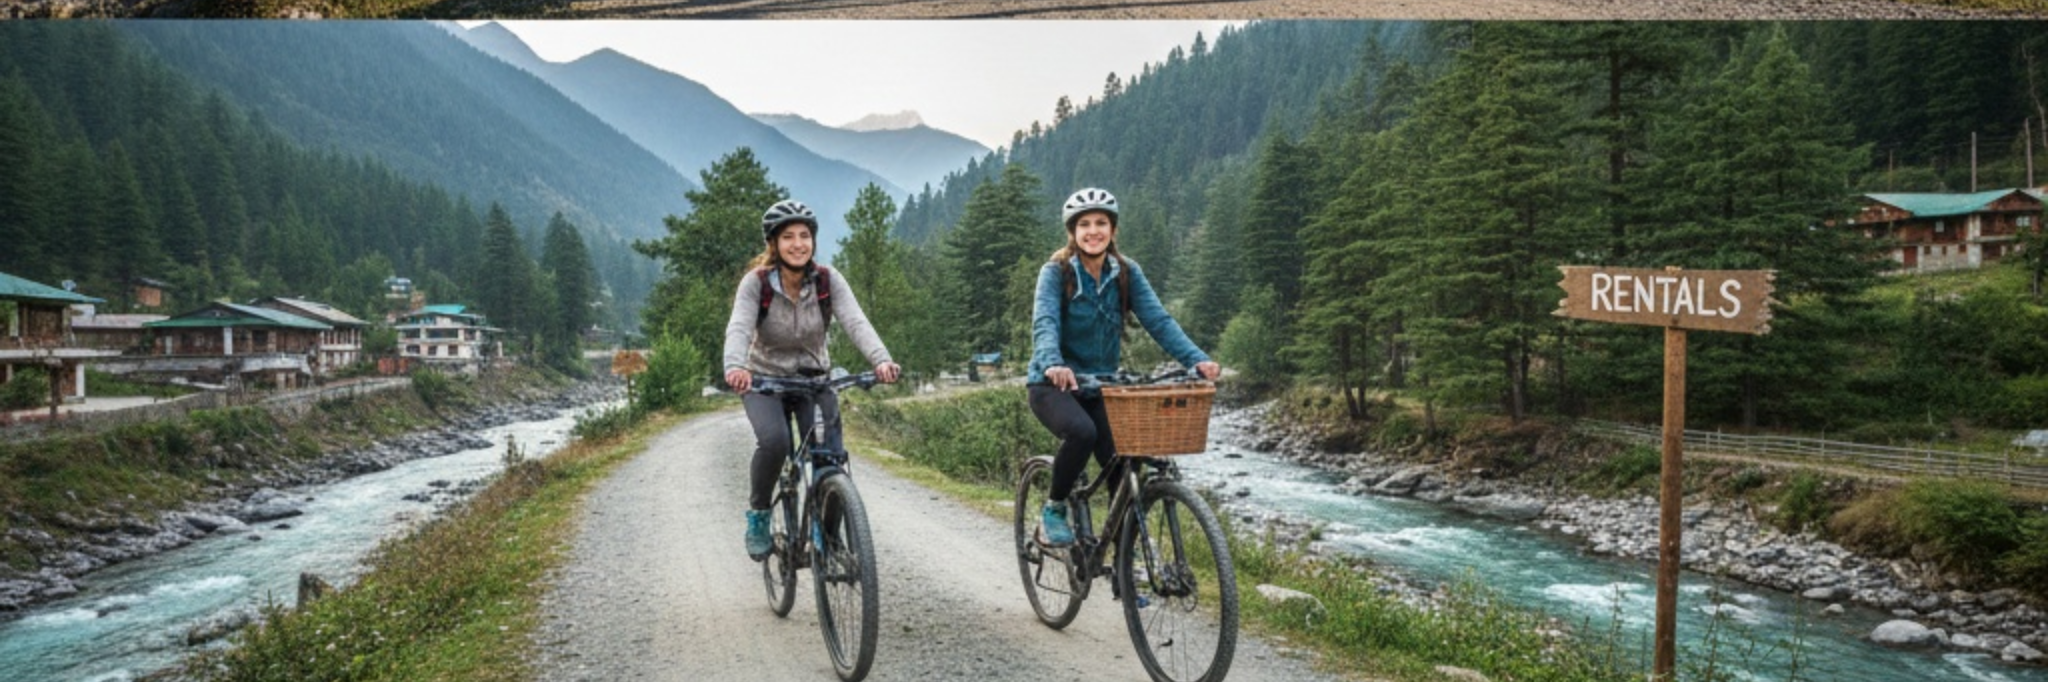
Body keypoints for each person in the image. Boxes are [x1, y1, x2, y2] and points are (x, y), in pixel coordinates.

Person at [1026, 187, 1220, 546]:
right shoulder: (1056, 272)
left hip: (1103, 387)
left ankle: (1125, 565)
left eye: (1101, 223)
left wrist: (1198, 360)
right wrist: (1053, 363)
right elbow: (1045, 322)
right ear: (1073, 232)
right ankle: (1054, 508)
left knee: (1122, 459)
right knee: (1082, 433)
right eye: (1084, 224)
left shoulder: (1127, 273)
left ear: (1113, 230)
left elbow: (1159, 321)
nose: (1093, 231)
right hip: (1052, 385)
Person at [723, 199, 901, 560]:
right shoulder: (756, 284)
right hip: (764, 381)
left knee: (830, 458)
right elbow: (740, 326)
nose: (798, 244)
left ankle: (828, 537)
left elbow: (855, 321)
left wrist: (881, 360)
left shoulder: (827, 280)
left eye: (805, 236)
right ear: (774, 243)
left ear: (813, 241)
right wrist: (735, 367)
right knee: (774, 442)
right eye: (788, 237)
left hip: (814, 382)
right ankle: (759, 514)